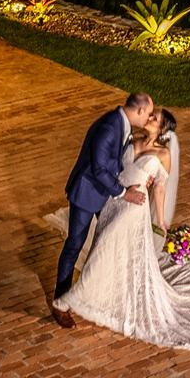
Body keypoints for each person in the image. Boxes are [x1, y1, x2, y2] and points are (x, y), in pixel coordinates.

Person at [51, 107, 190, 349]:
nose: (149, 117)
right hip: (113, 202)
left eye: (155, 118)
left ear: (162, 129)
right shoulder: (131, 139)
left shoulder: (163, 154)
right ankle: (104, 293)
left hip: (134, 207)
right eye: (151, 115)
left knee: (104, 247)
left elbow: (160, 188)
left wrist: (160, 220)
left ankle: (70, 300)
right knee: (107, 246)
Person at [52, 91, 155, 324]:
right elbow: (99, 169)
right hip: (87, 193)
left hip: (106, 192)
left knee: (110, 239)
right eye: (148, 113)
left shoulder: (122, 124)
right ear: (139, 110)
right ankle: (59, 301)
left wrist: (141, 175)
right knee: (75, 244)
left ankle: (100, 292)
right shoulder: (109, 127)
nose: (148, 118)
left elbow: (118, 161)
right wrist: (124, 193)